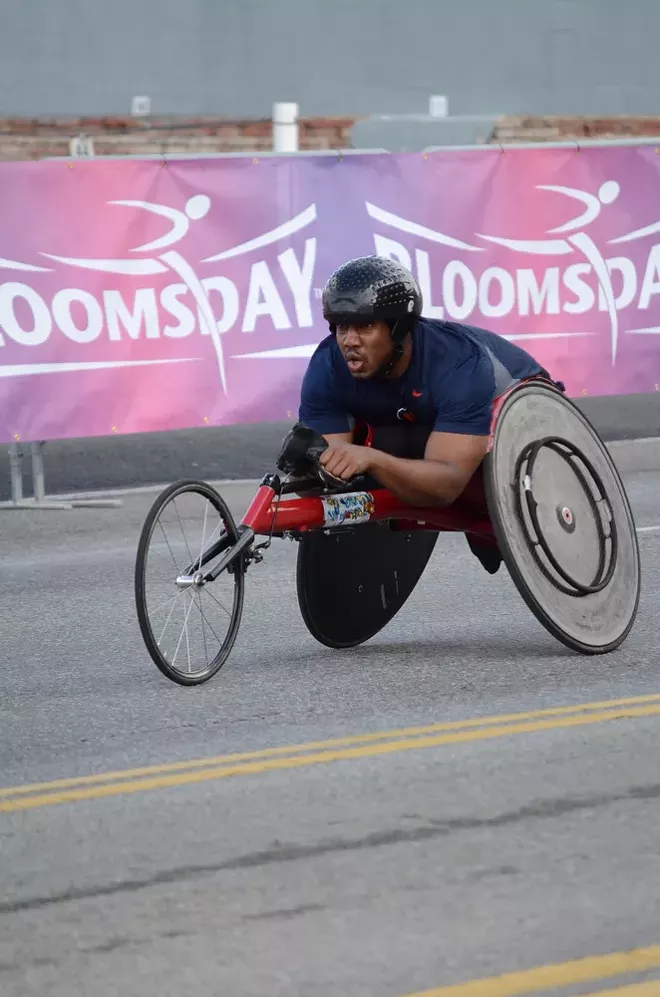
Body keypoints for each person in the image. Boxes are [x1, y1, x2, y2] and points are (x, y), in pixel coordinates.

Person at [297, 255, 561, 575]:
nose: (349, 341)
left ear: (397, 328)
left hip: (516, 415)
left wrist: (371, 459)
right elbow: (330, 467)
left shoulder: (460, 364)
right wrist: (310, 466)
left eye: (365, 326)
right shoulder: (327, 366)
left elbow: (447, 484)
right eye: (341, 326)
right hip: (422, 424)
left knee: (450, 478)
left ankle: (486, 521)